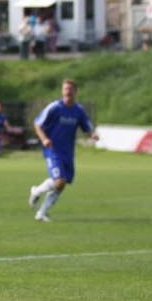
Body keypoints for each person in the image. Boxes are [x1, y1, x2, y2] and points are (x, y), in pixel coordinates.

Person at [28, 79, 99, 222]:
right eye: (66, 89)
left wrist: (92, 133)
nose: (68, 92)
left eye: (71, 89)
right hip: (53, 150)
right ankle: (36, 191)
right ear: (62, 91)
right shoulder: (55, 107)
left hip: (68, 152)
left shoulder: (78, 110)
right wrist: (44, 139)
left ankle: (41, 213)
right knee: (59, 181)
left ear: (75, 91)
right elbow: (37, 123)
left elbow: (86, 124)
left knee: (61, 185)